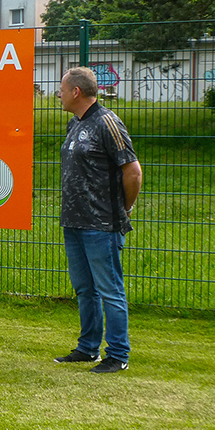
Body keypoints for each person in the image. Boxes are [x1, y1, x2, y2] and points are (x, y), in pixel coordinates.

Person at [54, 67, 142, 373]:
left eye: (62, 89)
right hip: (74, 222)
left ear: (76, 92)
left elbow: (132, 172)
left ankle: (117, 354)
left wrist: (123, 209)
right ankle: (87, 348)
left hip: (102, 224)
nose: (59, 93)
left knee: (110, 289)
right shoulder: (74, 124)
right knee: (84, 288)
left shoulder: (108, 122)